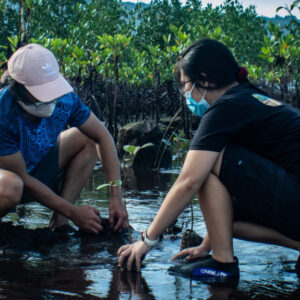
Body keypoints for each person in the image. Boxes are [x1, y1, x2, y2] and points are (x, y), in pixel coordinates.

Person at [118, 38, 300, 282]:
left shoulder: (225, 107)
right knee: (227, 221)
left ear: (203, 80)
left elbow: (189, 181)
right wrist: (206, 245)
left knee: (204, 164)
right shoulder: (250, 97)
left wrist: (146, 240)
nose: (185, 94)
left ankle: (223, 265)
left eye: (185, 85)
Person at [0, 43, 128, 234]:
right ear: (19, 88)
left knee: (88, 139)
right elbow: (23, 178)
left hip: (35, 167)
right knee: (11, 186)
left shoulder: (65, 99)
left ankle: (59, 223)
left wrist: (116, 196)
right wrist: (75, 213)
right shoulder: (3, 111)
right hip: (9, 180)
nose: (50, 99)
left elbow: (102, 136)